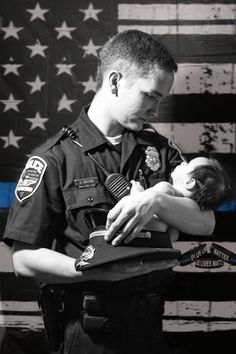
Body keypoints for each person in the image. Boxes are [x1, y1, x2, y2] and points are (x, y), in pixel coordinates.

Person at [3, 30, 216, 354]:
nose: (156, 109)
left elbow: (206, 223)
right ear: (115, 81)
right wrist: (91, 269)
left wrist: (155, 199)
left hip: (148, 327)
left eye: (161, 98)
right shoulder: (54, 158)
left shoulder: (159, 150)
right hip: (87, 329)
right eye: (150, 95)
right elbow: (23, 259)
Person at [130, 156, 230, 241]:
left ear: (189, 183)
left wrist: (136, 190)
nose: (182, 162)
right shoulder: (183, 216)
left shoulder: (165, 188)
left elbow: (140, 203)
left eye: (187, 164)